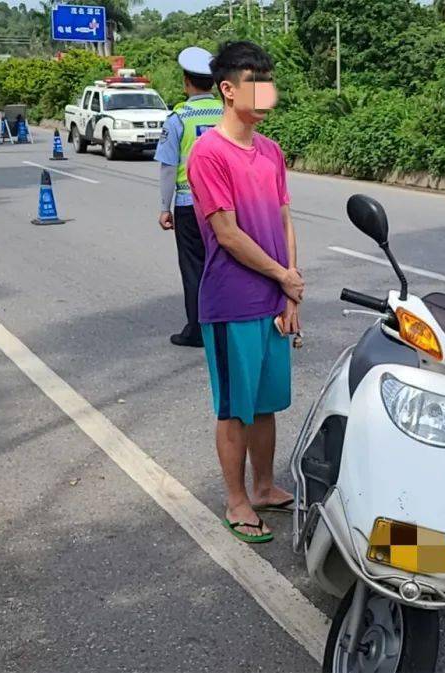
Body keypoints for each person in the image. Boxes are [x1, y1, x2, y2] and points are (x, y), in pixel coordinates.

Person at [186, 41, 303, 544]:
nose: (266, 93)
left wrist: (290, 286)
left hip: (274, 298)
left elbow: (283, 218)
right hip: (232, 302)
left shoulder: (271, 151)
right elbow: (228, 234)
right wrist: (282, 275)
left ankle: (262, 486)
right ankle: (236, 501)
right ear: (229, 89)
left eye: (269, 82)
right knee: (235, 405)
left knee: (267, 402)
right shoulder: (208, 153)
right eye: (257, 82)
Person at [155, 46, 224, 348]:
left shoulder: (178, 118)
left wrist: (163, 208)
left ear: (186, 82)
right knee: (223, 265)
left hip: (189, 206)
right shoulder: (227, 113)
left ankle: (196, 331)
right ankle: (226, 328)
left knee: (194, 267)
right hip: (225, 206)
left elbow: (169, 168)